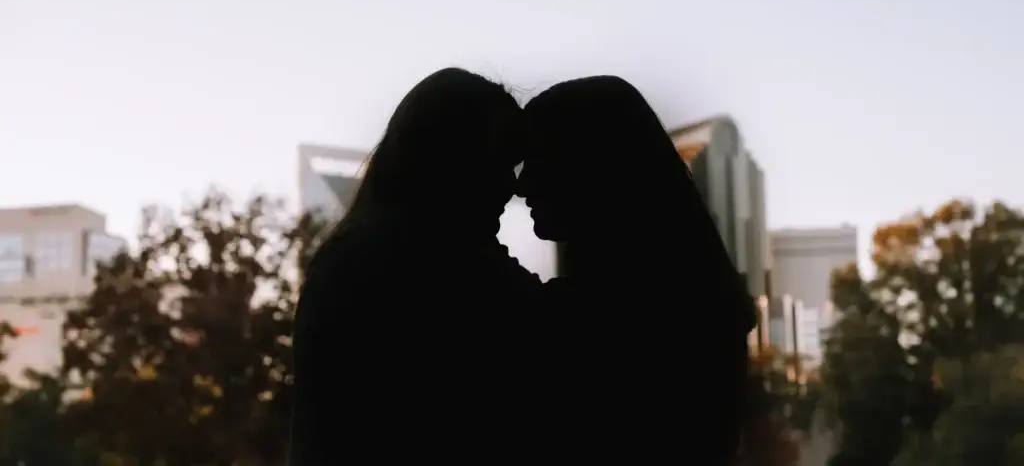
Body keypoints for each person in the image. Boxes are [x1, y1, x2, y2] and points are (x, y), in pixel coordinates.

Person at [287, 67, 542, 465]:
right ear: (451, 157)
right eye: (499, 160)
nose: (512, 188)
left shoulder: (362, 251)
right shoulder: (439, 266)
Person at [517, 75, 757, 463]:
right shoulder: (702, 307)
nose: (521, 185)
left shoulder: (590, 321)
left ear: (595, 165)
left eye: (539, 157)